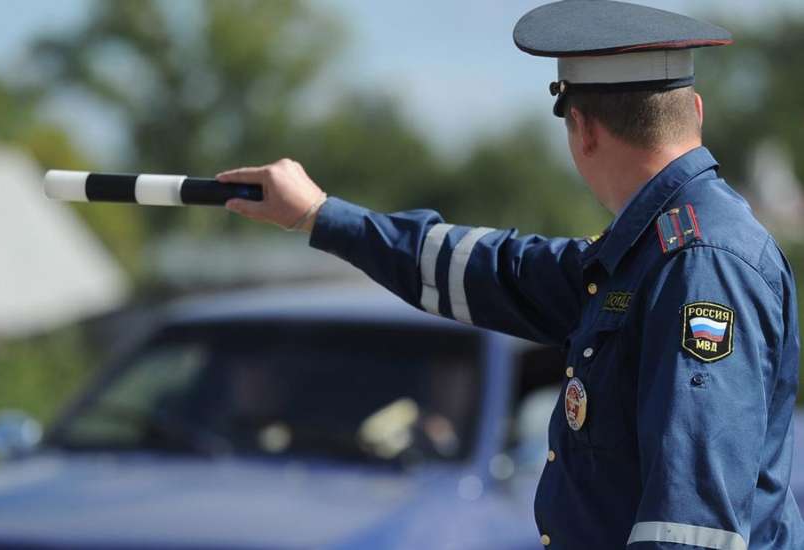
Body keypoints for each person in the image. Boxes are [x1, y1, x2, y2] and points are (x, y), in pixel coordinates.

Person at [217, 1, 804, 548]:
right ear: (694, 111)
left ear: (583, 129)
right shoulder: (650, 252)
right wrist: (319, 214)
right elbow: (494, 270)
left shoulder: (696, 262)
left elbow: (689, 529)